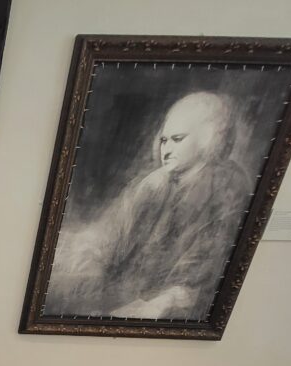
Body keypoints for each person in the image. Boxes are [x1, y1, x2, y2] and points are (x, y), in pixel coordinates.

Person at [45, 91, 253, 320]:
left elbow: (202, 274)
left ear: (208, 138)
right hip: (124, 290)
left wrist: (158, 302)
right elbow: (109, 234)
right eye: (164, 140)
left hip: (169, 305)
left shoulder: (228, 187)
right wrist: (73, 249)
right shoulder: (153, 183)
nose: (167, 149)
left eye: (177, 139)